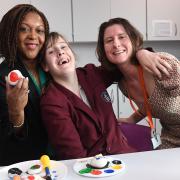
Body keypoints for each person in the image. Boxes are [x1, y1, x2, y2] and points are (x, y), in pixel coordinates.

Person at [40, 32, 172, 160]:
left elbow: (122, 64)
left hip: (125, 154)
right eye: (51, 51)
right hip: (92, 168)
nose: (60, 52)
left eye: (63, 46)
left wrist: (142, 53)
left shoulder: (90, 74)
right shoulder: (52, 102)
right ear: (45, 65)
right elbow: (74, 156)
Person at [96, 17, 180, 149]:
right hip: (171, 137)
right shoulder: (123, 85)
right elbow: (149, 106)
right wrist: (132, 119)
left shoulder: (161, 64)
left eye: (122, 37)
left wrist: (142, 52)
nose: (116, 44)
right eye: (109, 40)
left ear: (133, 39)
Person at [0, 4, 50, 165]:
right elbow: (5, 138)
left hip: (61, 159)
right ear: (11, 33)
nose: (33, 36)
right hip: (27, 165)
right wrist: (16, 112)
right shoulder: (4, 76)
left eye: (39, 30)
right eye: (24, 29)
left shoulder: (50, 68)